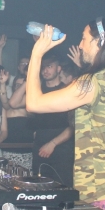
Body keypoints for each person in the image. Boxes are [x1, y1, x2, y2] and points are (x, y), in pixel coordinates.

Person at [25, 18, 105, 210]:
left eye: (84, 39)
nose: (80, 45)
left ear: (100, 42)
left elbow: (33, 103)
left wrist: (37, 53)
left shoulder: (95, 81)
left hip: (98, 196)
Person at [28, 53, 74, 186]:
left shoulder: (67, 91)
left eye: (49, 66)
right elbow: (14, 103)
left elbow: (73, 125)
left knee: (62, 188)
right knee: (39, 187)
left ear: (59, 69)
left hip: (61, 149)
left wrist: (53, 143)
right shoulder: (38, 91)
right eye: (43, 67)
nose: (45, 70)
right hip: (40, 147)